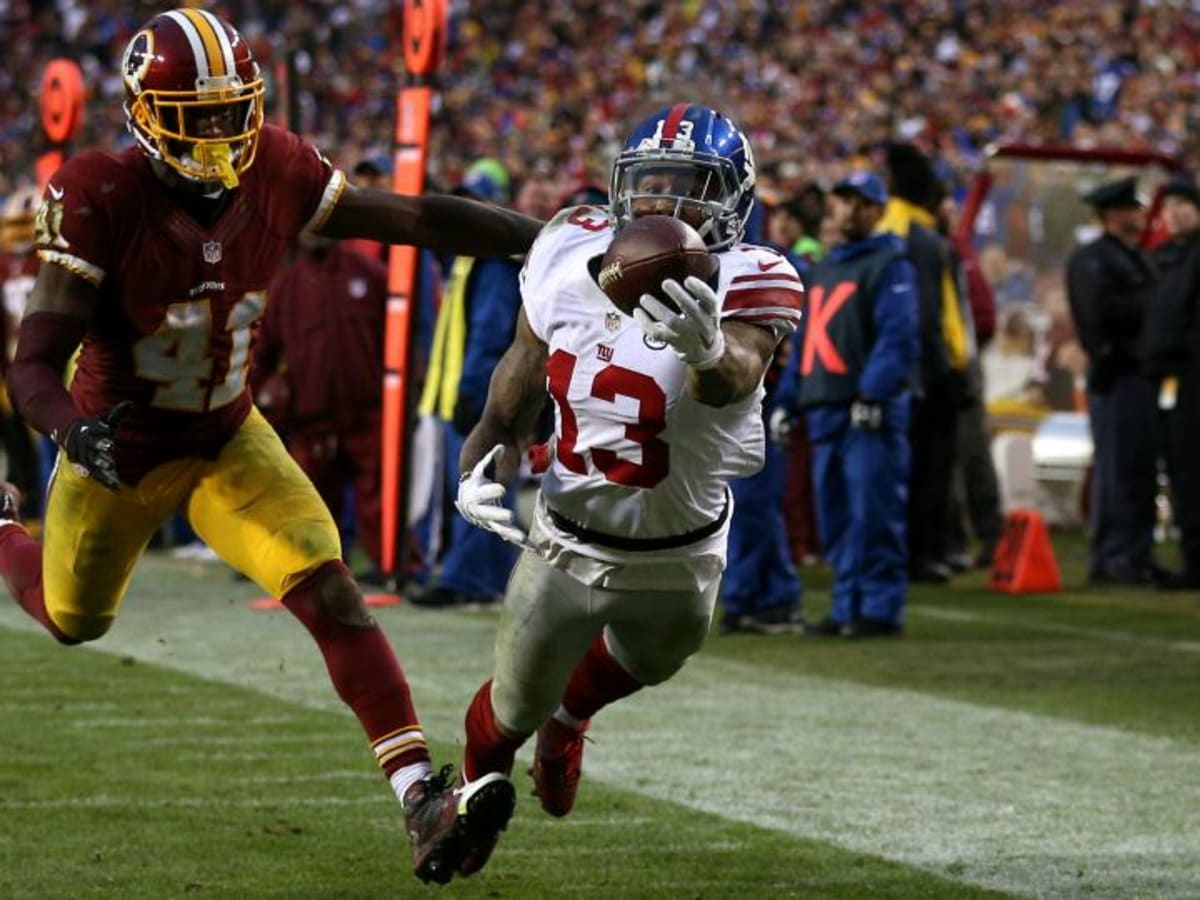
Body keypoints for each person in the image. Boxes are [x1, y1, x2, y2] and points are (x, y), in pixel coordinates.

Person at [0, 9, 540, 886]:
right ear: (147, 112)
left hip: (225, 434)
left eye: (231, 108)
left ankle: (420, 802)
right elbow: (30, 366)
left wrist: (531, 233)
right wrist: (70, 431)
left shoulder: (279, 165)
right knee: (73, 621)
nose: (220, 130)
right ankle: (1, 528)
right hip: (121, 448)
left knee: (335, 594)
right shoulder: (98, 191)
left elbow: (405, 215)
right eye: (198, 114)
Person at [448, 104, 803, 875]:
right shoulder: (568, 247)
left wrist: (706, 347)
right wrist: (485, 455)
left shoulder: (755, 274)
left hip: (684, 555)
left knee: (652, 662)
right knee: (507, 709)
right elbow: (518, 375)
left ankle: (571, 719)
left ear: (733, 201)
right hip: (566, 542)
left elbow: (734, 377)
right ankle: (465, 818)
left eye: (688, 188)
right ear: (619, 189)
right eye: (650, 187)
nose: (664, 209)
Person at [798, 172, 919, 637]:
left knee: (874, 511)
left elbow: (898, 336)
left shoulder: (891, 265)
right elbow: (809, 341)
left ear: (874, 210)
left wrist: (874, 392)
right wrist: (791, 398)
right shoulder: (828, 267)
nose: (843, 211)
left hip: (865, 408)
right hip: (826, 405)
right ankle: (847, 605)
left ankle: (880, 608)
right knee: (836, 516)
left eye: (855, 202)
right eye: (841, 201)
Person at [411, 160, 524, 607]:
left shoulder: (493, 262)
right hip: (458, 391)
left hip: (477, 394)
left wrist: (476, 392)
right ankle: (494, 578)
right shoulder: (471, 256)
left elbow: (490, 333)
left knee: (478, 486)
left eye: (477, 201)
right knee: (487, 488)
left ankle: (466, 579)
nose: (468, 210)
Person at [250, 229, 388, 578]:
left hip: (368, 412)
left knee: (379, 494)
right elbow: (263, 352)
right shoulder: (285, 286)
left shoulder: (368, 273)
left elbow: (401, 336)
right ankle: (319, 568)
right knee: (313, 499)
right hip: (311, 419)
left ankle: (388, 563)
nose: (317, 230)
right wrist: (252, 399)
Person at [879, 143, 971, 584]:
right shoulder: (924, 239)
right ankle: (924, 552)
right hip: (927, 372)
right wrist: (950, 369)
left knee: (897, 467)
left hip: (885, 368)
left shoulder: (882, 231)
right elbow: (936, 314)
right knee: (930, 466)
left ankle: (902, 550)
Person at [1066, 176, 1162, 585]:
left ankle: (1136, 553)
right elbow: (1099, 318)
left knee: (1139, 468)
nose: (1140, 216)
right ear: (1113, 214)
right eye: (1132, 209)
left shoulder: (1135, 257)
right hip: (1117, 375)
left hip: (1142, 375)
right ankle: (1112, 555)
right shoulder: (1093, 260)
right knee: (1118, 467)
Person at [1142, 175, 1200, 589]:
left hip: (1193, 376)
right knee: (1182, 471)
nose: (1174, 213)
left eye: (1183, 205)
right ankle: (1193, 560)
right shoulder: (1165, 257)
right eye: (1169, 206)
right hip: (1172, 379)